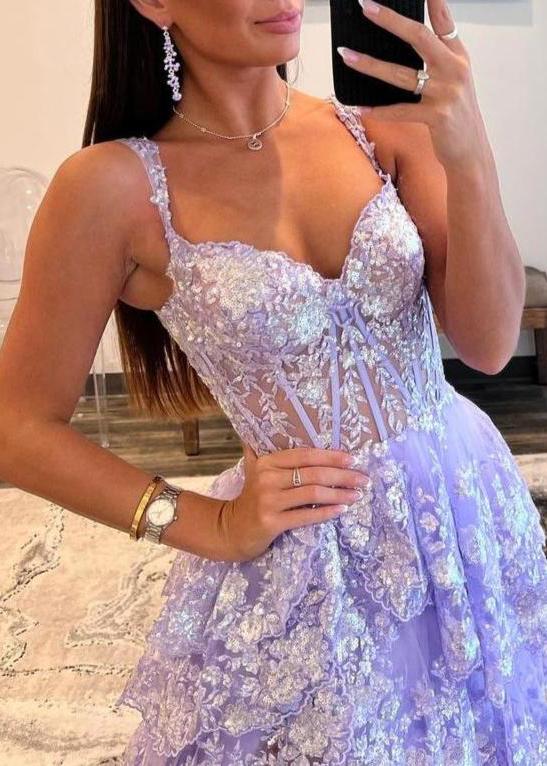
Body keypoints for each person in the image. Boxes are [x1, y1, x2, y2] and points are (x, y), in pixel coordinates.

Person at [0, 0, 545, 763]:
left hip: (462, 497)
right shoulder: (112, 187)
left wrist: (470, 150)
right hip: (309, 547)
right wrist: (204, 522)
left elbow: (486, 346)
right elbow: (17, 427)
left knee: (495, 720)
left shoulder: (382, 130)